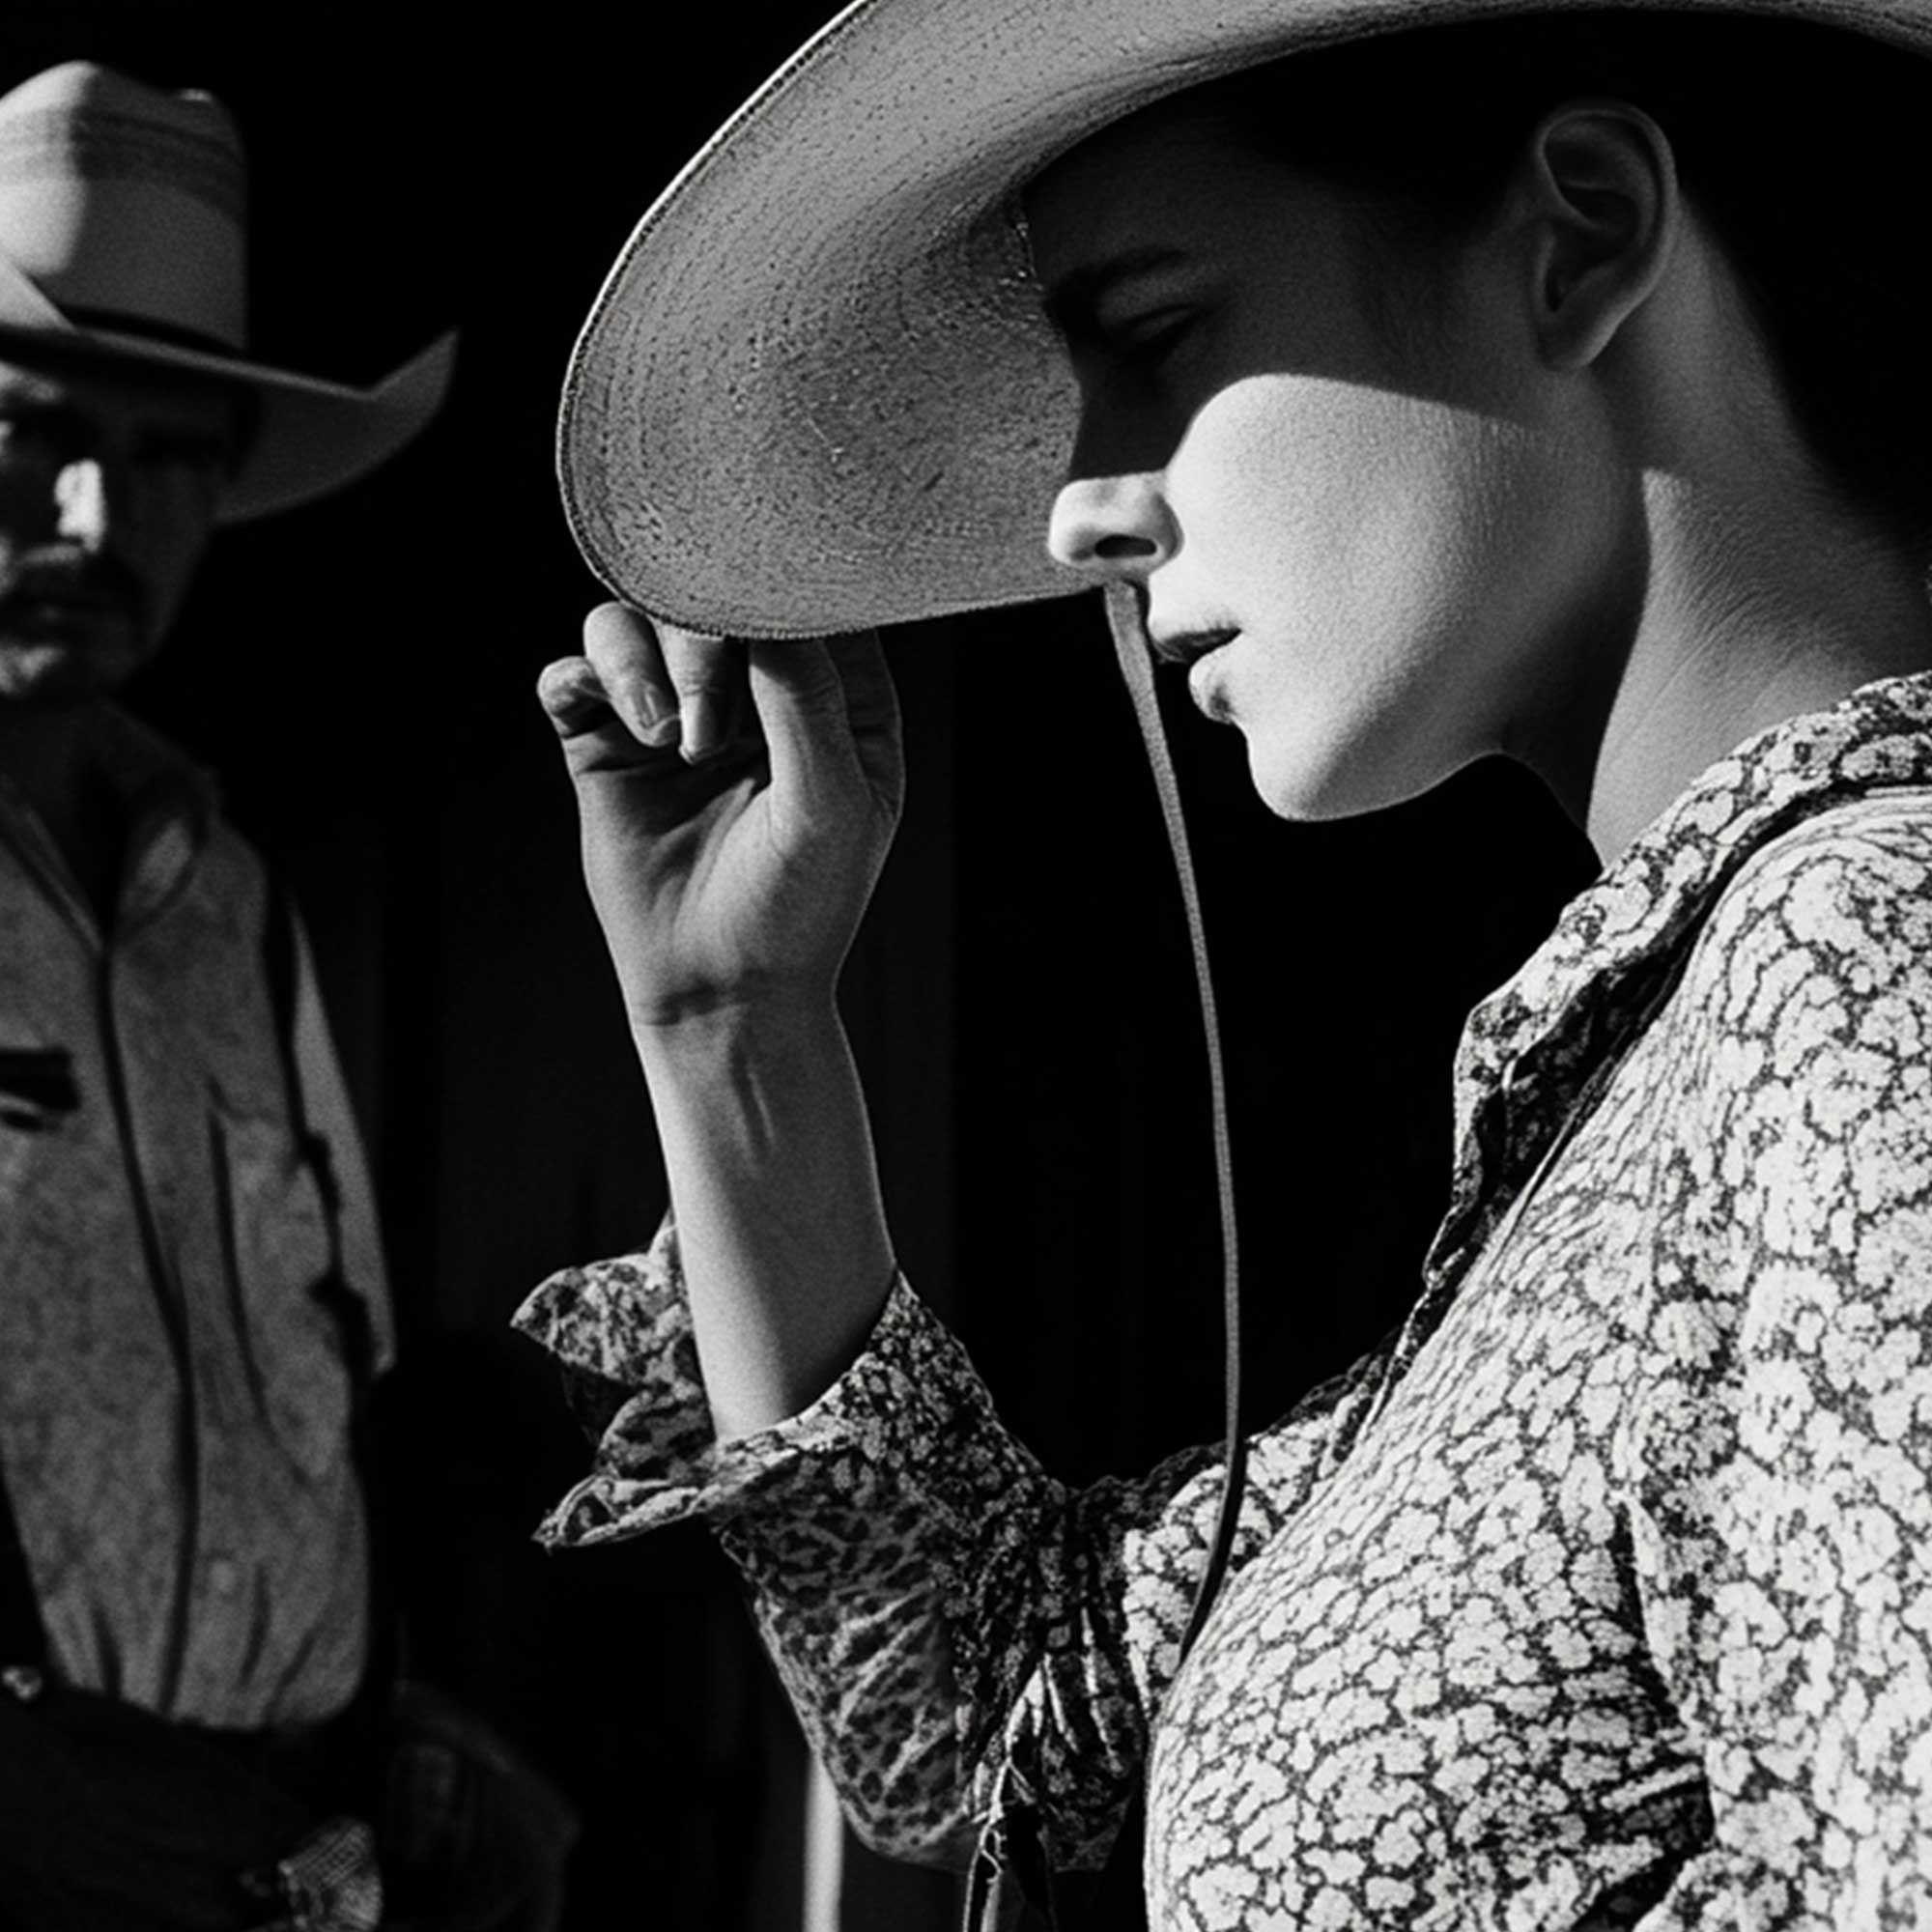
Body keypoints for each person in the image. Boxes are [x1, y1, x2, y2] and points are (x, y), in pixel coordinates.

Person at [519, 0, 1932, 1925]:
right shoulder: (1658, 1072)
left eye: (1155, 332)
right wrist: (733, 1023)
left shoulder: (1861, 965)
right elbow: (991, 1704)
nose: (1076, 508)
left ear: (1580, 235)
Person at [0, 58, 462, 1932]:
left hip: (274, 1863)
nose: (105, 511)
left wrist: (400, 1720)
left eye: (174, 450)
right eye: (37, 428)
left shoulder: (234, 903)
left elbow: (329, 1361)